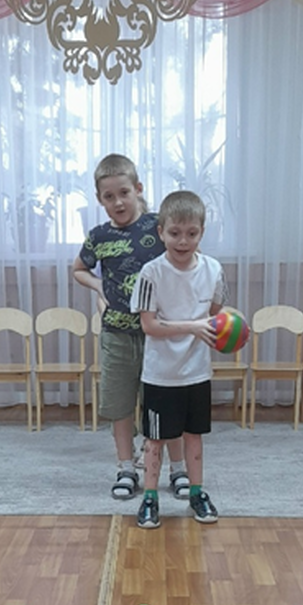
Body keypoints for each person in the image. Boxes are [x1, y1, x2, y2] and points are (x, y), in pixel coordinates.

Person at [73, 155, 188, 501]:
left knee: (165, 403)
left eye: (124, 193)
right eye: (109, 197)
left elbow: (182, 257)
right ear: (100, 200)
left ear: (137, 189)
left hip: (159, 335)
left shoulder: (158, 226)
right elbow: (79, 269)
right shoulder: (99, 236)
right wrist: (99, 289)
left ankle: (178, 469)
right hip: (117, 336)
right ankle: (126, 468)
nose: (118, 202)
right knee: (120, 405)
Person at [130, 190, 224, 529]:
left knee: (193, 436)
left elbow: (217, 314)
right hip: (160, 375)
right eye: (174, 233)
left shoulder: (214, 270)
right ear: (161, 232)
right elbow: (149, 325)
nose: (183, 241)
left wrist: (226, 332)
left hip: (196, 373)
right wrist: (194, 326)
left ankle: (197, 493)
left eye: (191, 233)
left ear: (201, 232)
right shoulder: (150, 273)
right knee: (154, 439)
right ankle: (150, 498)